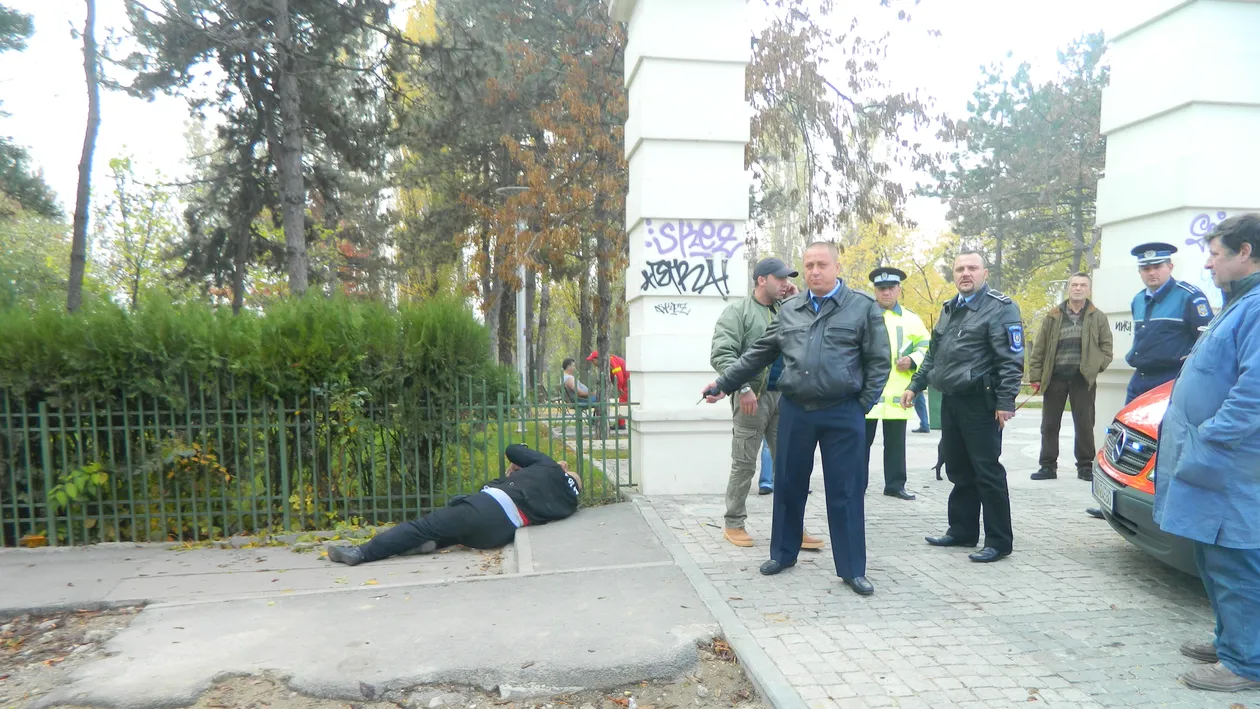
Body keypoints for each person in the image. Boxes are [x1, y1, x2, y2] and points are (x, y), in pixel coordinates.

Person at [702, 242, 890, 596]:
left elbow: (880, 362)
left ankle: (852, 569)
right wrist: (724, 384)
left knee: (846, 491)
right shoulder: (790, 309)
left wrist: (860, 405)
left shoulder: (861, 308)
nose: (814, 271)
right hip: (796, 411)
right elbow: (758, 353)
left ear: (836, 266)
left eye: (821, 264)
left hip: (843, 411)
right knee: (788, 484)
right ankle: (784, 554)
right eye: (809, 265)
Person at [1152, 214, 1260, 693]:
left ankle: (1245, 663)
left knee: (1234, 561)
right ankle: (1231, 641)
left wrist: (1211, 436)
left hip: (1231, 464)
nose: (1208, 262)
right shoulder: (1238, 303)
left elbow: (1254, 390)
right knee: (1212, 557)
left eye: (1216, 253)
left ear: (1245, 252)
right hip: (1212, 461)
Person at [900, 251, 1023, 564]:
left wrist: (1005, 401)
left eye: (972, 268)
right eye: (959, 269)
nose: (965, 273)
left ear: (984, 272)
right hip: (952, 401)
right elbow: (933, 354)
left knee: (987, 471)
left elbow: (1010, 359)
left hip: (981, 402)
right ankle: (962, 530)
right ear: (953, 275)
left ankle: (998, 540)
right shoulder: (949, 307)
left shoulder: (1000, 308)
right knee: (957, 468)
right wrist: (916, 385)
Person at [1086, 243, 1213, 519]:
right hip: (1140, 379)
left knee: (1163, 446)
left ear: (1170, 267)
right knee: (1125, 439)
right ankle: (1116, 497)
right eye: (1145, 268)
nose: (1151, 273)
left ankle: (1160, 506)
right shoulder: (1138, 300)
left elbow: (1206, 343)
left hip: (1169, 381)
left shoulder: (1190, 298)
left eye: (1157, 267)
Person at [709, 257, 824, 550]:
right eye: (780, 278)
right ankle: (734, 523)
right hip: (752, 398)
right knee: (744, 463)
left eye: (788, 279)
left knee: (790, 465)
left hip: (786, 399)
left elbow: (810, 333)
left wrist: (797, 299)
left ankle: (793, 527)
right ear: (762, 280)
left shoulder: (786, 310)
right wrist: (743, 387)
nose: (786, 283)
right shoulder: (738, 312)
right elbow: (723, 355)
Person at [326, 444, 581, 565]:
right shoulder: (569, 505)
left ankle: (361, 552)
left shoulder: (549, 467)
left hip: (489, 507)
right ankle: (429, 545)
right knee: (448, 528)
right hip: (499, 532)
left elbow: (513, 449)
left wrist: (547, 461)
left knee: (422, 526)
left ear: (565, 471)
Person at [1027, 273, 1113, 482]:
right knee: (1049, 424)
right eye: (1074, 284)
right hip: (1054, 377)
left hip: (1082, 379)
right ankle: (1047, 466)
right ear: (1068, 288)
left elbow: (1107, 349)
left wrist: (1094, 368)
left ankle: (1085, 467)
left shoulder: (1098, 316)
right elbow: (1039, 348)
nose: (1078, 288)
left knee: (1084, 424)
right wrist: (1036, 376)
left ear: (1089, 290)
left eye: (1083, 285)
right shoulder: (1053, 316)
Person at [864, 267, 930, 501]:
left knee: (896, 444)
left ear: (899, 290)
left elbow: (927, 347)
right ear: (875, 291)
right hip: (867, 394)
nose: (886, 293)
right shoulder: (865, 315)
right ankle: (856, 484)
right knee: (860, 445)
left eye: (891, 288)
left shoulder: (911, 319)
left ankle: (895, 485)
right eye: (881, 289)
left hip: (898, 394)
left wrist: (913, 360)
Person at [587, 350, 628, 428]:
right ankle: (621, 423)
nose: (592, 363)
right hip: (624, 382)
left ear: (598, 358)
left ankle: (621, 424)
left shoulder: (611, 361)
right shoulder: (607, 361)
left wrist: (619, 387)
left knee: (623, 402)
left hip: (626, 382)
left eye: (593, 360)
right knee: (623, 402)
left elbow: (619, 376)